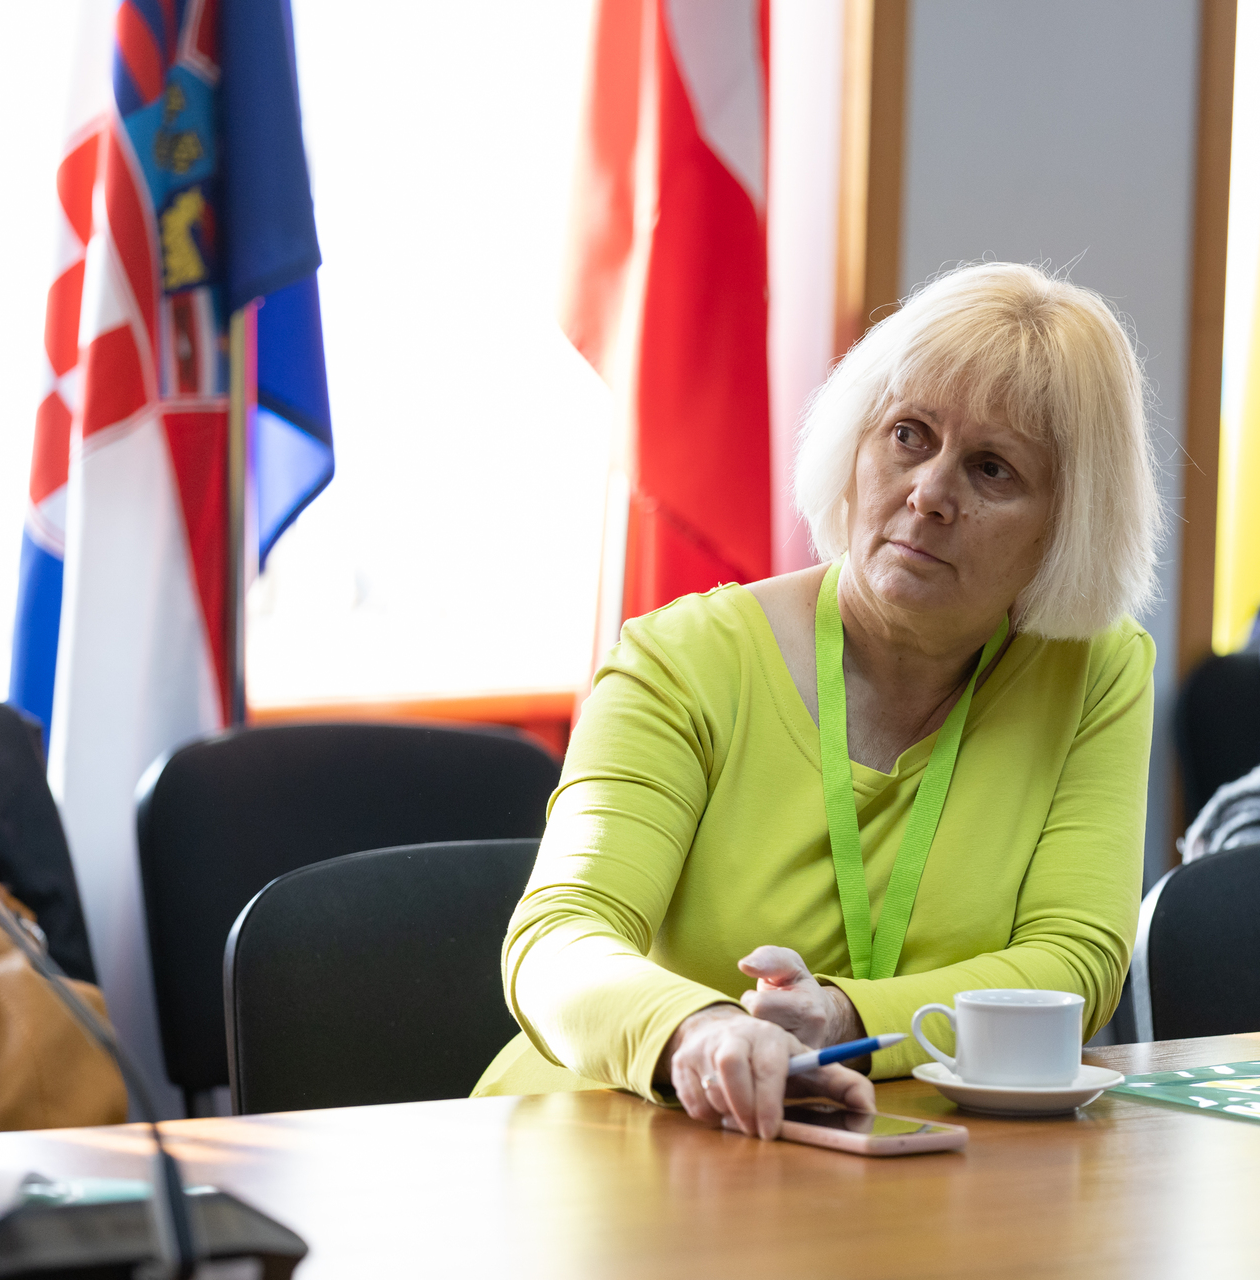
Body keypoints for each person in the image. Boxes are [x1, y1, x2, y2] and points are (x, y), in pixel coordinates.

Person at [473, 262, 1161, 1141]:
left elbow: (1075, 964)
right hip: (619, 1135)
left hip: (888, 1147)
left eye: (992, 469)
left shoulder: (1095, 672)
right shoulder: (682, 660)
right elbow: (558, 939)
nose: (929, 493)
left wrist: (845, 1017)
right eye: (909, 434)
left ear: (1067, 525)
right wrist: (699, 1031)